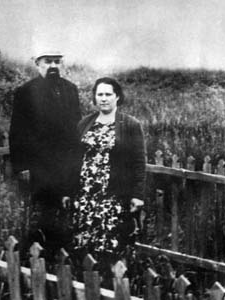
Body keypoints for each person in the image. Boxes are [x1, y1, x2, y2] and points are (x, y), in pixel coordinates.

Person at [9, 50, 81, 257]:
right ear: (37, 63)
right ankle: (37, 259)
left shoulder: (70, 90)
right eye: (48, 61)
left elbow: (76, 129)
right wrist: (21, 168)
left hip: (66, 166)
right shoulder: (25, 92)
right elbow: (17, 133)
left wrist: (76, 163)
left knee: (65, 213)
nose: (53, 66)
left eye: (57, 61)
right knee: (41, 216)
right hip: (39, 167)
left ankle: (64, 258)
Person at [71, 77, 146, 276]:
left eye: (108, 94)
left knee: (112, 244)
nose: (103, 99)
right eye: (99, 94)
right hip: (86, 195)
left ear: (117, 97)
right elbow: (74, 158)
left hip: (112, 196)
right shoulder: (85, 123)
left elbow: (139, 162)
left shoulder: (130, 125)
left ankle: (113, 286)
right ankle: (90, 284)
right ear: (94, 97)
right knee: (86, 243)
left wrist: (137, 195)